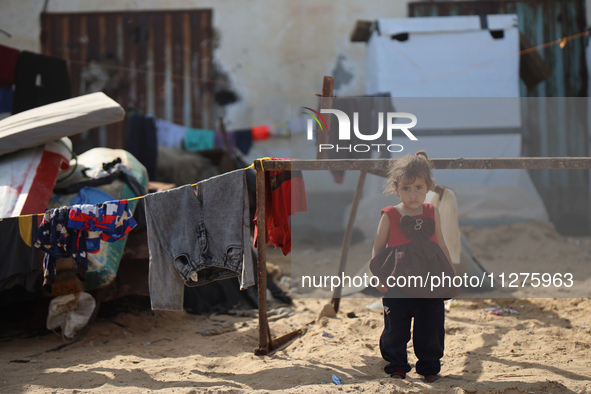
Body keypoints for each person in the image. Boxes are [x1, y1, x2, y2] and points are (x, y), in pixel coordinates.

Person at [371, 151, 457, 383]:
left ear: (428, 186)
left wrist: (449, 276)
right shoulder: (390, 215)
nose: (413, 194)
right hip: (398, 281)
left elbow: (441, 245)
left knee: (431, 324)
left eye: (419, 187)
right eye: (406, 188)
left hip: (429, 280)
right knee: (395, 327)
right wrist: (379, 278)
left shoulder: (432, 212)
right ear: (396, 188)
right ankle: (397, 365)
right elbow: (378, 249)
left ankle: (429, 366)